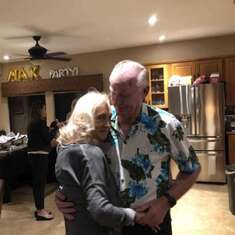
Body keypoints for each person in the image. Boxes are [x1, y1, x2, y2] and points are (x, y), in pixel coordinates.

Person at [55, 60, 201, 234]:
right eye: (113, 93)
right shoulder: (102, 120)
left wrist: (165, 202)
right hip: (109, 224)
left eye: (124, 95)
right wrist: (68, 193)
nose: (116, 101)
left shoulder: (166, 125)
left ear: (144, 92)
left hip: (151, 221)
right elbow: (81, 162)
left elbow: (192, 169)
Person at [55, 91, 145, 235]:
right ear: (85, 119)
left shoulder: (66, 148)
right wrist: (134, 216)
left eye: (109, 118)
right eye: (101, 118)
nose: (108, 125)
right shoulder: (90, 153)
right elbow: (99, 209)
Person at [27, 102, 55, 220]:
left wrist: (53, 128)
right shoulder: (39, 122)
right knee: (40, 184)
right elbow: (48, 139)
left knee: (37, 183)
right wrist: (55, 131)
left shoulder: (33, 123)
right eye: (44, 108)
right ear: (39, 110)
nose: (45, 111)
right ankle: (40, 211)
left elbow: (45, 134)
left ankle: (40, 209)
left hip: (34, 155)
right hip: (39, 155)